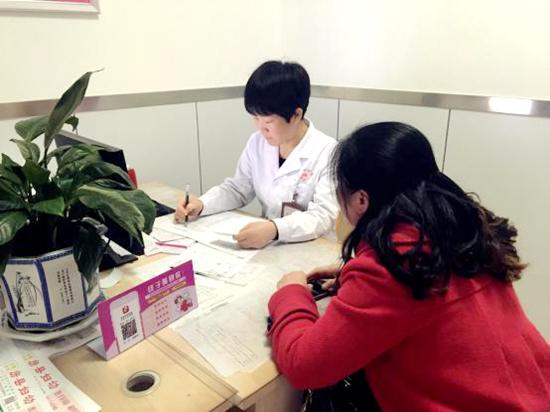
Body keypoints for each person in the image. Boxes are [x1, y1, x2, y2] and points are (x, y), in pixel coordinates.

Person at [267, 122, 550, 411]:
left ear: (361, 200)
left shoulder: (394, 264)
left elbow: (303, 366)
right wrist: (355, 277)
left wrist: (291, 293)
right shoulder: (460, 228)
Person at [174, 61, 338, 249]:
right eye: (255, 117)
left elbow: (323, 216)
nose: (260, 127)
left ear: (296, 115)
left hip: (312, 248)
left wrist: (275, 229)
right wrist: (202, 204)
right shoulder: (257, 142)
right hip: (269, 246)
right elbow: (238, 189)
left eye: (268, 121)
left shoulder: (328, 152)